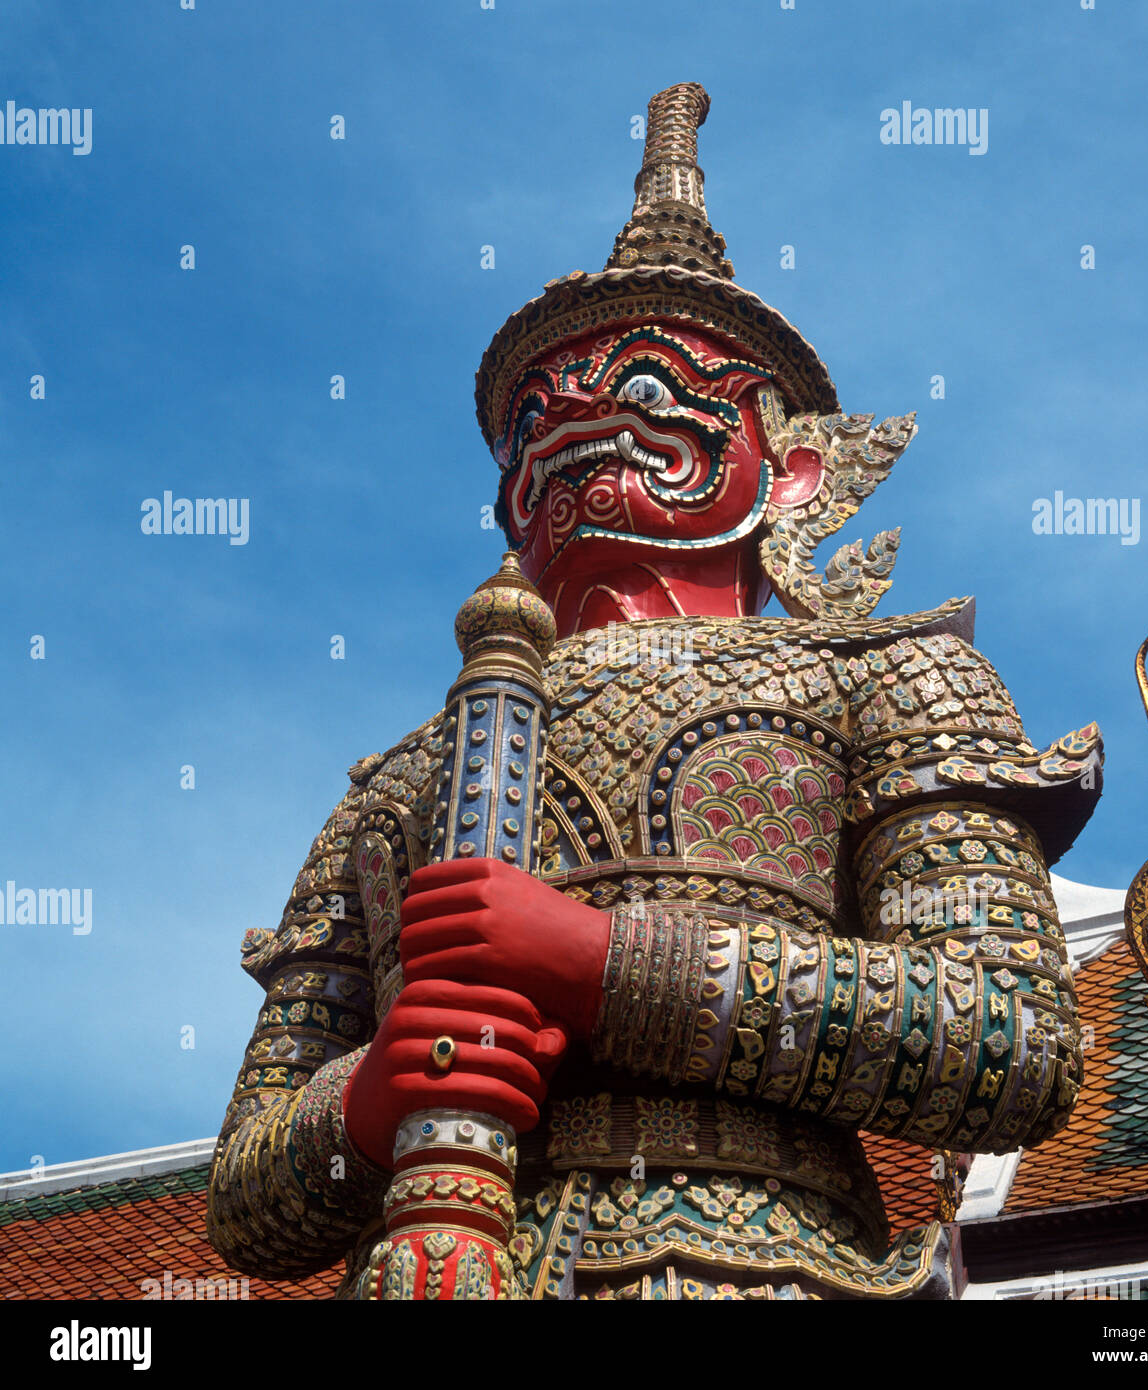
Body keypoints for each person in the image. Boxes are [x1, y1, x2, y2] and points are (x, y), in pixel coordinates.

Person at [207, 83, 1101, 1301]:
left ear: (787, 470)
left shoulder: (886, 680)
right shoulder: (398, 782)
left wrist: (599, 960)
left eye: (638, 387)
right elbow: (245, 1206)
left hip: (755, 1261)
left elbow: (1010, 1043)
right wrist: (364, 1100)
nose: (573, 422)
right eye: (533, 415)